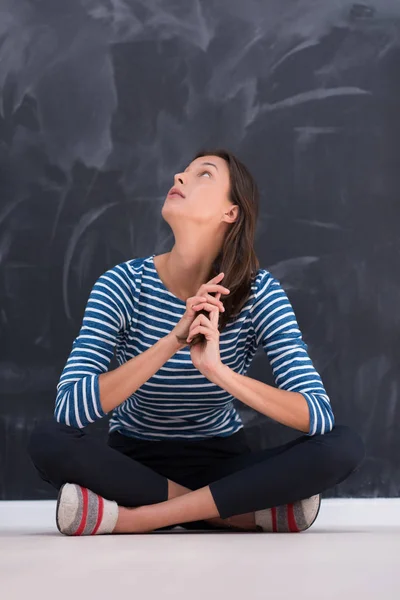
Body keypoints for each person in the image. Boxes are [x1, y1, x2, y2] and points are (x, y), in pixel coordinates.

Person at [28, 149, 365, 536]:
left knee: (343, 445)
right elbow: (68, 410)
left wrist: (217, 371)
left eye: (203, 174)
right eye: (183, 172)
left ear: (231, 212)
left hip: (221, 460)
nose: (179, 177)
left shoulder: (260, 293)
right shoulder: (121, 285)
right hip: (133, 460)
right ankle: (233, 513)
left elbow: (317, 415)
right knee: (48, 440)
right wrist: (172, 341)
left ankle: (136, 519)